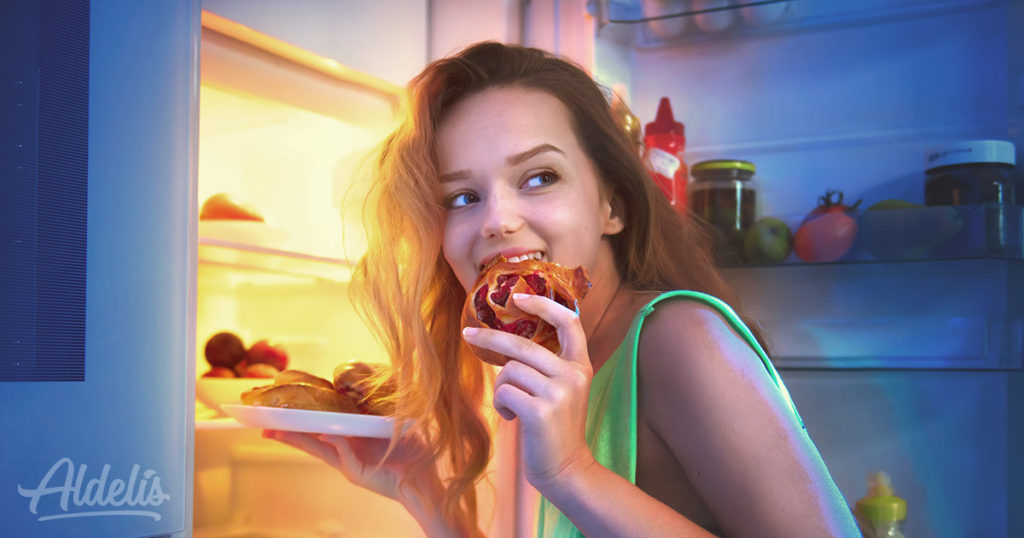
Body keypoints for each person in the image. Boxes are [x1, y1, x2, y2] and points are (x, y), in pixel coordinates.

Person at [265, 41, 860, 537]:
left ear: (612, 205)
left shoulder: (678, 336)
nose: (497, 219)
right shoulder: (536, 365)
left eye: (539, 177)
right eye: (462, 197)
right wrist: (431, 499)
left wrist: (573, 471)